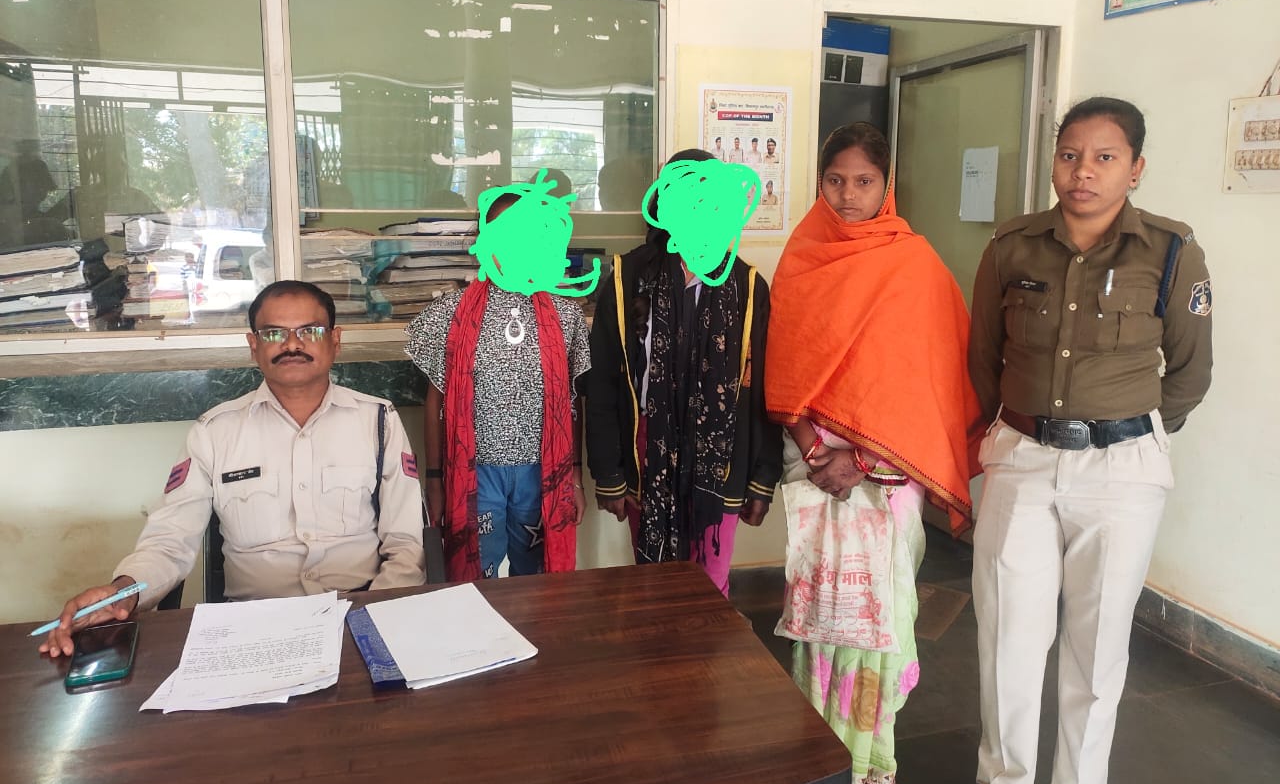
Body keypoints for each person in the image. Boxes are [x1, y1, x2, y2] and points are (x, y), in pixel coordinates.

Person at [954, 98, 1212, 784]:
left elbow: (1190, 372)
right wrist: (1016, 425)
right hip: (1024, 458)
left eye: (1104, 157)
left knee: (1095, 649)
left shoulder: (1171, 251)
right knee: (1007, 633)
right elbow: (983, 356)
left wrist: (1127, 430)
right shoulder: (1012, 246)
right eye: (1070, 155)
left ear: (1136, 168)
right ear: (1054, 162)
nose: (1083, 172)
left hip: (1121, 471)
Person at [766, 123, 981, 784]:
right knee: (821, 612)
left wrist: (859, 458)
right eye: (835, 180)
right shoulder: (802, 257)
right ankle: (818, 754)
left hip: (885, 475)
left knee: (879, 617)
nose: (848, 195)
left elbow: (927, 383)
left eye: (863, 181)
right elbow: (784, 369)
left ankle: (874, 760)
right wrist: (814, 449)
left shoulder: (914, 266)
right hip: (812, 464)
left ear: (887, 187)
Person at [38, 280, 427, 658]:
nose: (292, 345)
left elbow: (406, 544)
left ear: (335, 340)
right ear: (254, 346)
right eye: (274, 333)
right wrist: (123, 592)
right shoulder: (215, 431)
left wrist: (371, 616)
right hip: (252, 630)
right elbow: (170, 541)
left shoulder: (379, 421)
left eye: (310, 331)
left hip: (359, 615)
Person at [585, 149, 781, 596]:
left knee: (711, 587)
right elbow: (604, 382)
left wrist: (762, 479)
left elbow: (763, 390)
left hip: (722, 458)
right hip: (648, 450)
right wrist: (609, 472)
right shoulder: (627, 277)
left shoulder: (747, 286)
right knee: (653, 586)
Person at [406, 185, 592, 581]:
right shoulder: (448, 314)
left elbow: (573, 402)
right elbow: (435, 401)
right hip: (475, 473)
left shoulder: (566, 315)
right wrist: (435, 481)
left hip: (542, 474)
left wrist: (574, 477)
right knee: (477, 579)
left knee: (538, 580)